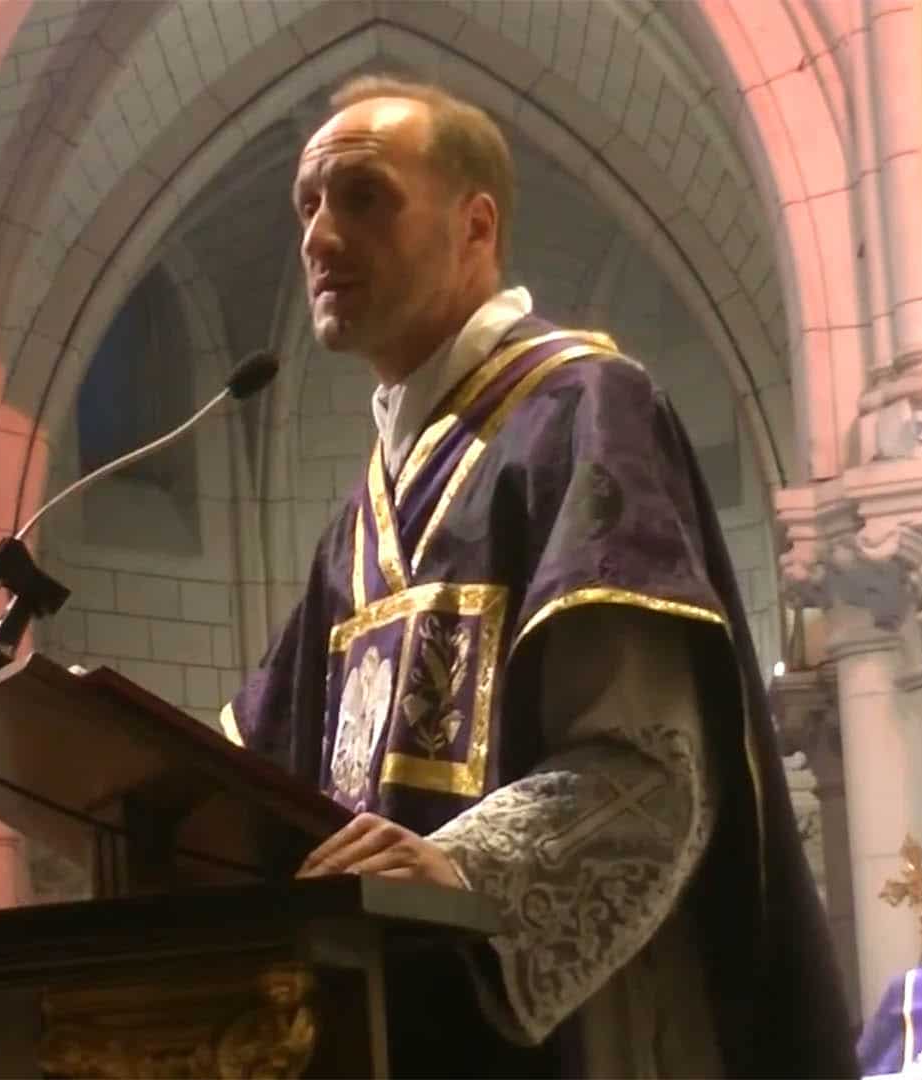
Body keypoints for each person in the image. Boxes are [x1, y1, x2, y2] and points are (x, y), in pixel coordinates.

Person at [218, 73, 857, 1078]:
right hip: (387, 1019)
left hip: (565, 1025)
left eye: (363, 196)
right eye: (307, 204)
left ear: (477, 228)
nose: (320, 237)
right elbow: (250, 770)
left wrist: (464, 873)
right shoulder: (356, 523)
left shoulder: (583, 413)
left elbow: (650, 765)